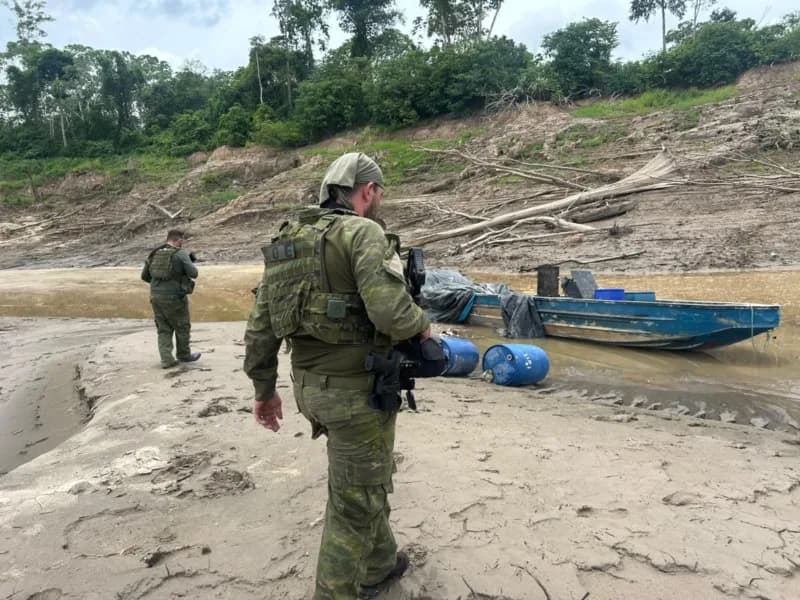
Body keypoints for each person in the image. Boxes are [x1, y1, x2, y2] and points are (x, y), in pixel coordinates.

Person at [244, 153, 430, 599]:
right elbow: (390, 312)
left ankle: (380, 565)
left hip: (309, 387)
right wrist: (422, 326)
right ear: (367, 191)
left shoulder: (289, 240)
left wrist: (264, 391)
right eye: (380, 194)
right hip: (355, 394)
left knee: (363, 480)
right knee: (353, 502)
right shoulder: (363, 232)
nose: (379, 201)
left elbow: (260, 326)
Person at [141, 229, 201, 368]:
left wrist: (160, 285)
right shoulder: (180, 254)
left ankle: (166, 360)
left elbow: (145, 276)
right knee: (182, 326)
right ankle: (184, 355)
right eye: (182, 240)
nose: (183, 243)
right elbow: (194, 273)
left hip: (156, 297)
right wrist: (189, 263)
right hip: (175, 298)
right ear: (177, 240)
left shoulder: (154, 253)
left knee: (163, 328)